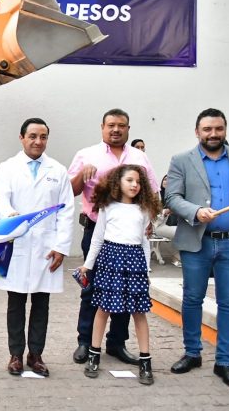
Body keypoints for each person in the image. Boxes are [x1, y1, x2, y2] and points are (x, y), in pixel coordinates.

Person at [68, 108, 159, 366]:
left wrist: (149, 222)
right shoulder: (87, 154)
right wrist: (81, 174)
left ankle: (116, 343)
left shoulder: (140, 157)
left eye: (121, 125)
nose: (116, 129)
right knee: (92, 289)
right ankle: (86, 342)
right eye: (111, 125)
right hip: (97, 233)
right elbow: (69, 191)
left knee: (127, 292)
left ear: (128, 129)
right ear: (102, 127)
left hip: (131, 239)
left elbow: (152, 191)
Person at [165, 108, 229, 390]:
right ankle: (192, 353)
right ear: (197, 131)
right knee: (192, 299)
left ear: (225, 129)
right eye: (207, 129)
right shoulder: (181, 160)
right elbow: (172, 196)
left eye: (218, 129)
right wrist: (196, 211)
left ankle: (224, 361)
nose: (213, 134)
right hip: (196, 242)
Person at [0, 118, 75, 377]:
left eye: (43, 137)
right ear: (21, 138)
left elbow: (67, 211)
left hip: (46, 248)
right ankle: (15, 354)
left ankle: (35, 354)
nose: (38, 141)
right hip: (17, 244)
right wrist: (11, 215)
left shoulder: (58, 170)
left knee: (41, 303)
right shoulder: (8, 168)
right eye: (33, 136)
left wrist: (61, 247)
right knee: (15, 302)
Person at [78, 164, 161, 385]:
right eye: (129, 180)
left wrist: (146, 268)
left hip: (134, 262)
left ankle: (145, 361)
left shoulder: (144, 210)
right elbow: (97, 238)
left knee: (139, 312)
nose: (135, 185)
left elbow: (145, 241)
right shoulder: (107, 208)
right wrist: (87, 265)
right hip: (110, 258)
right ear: (118, 183)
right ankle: (94, 355)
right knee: (102, 309)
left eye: (138, 181)